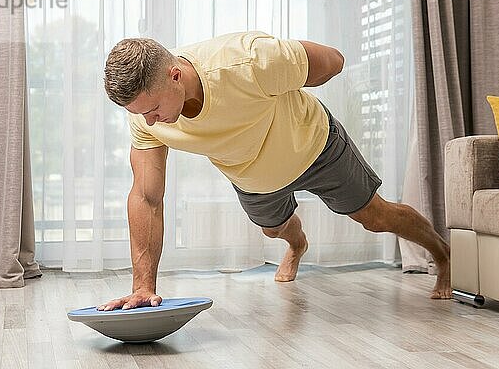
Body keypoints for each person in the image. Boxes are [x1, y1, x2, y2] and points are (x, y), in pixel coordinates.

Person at [98, 31, 451, 311]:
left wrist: (291, 71)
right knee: (273, 230)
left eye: (154, 109)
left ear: (175, 76)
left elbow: (333, 61)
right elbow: (147, 197)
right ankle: (297, 246)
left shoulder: (248, 60)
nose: (149, 120)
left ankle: (441, 253)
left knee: (375, 217)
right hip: (254, 177)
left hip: (315, 147)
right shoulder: (145, 119)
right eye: (140, 112)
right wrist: (143, 287)